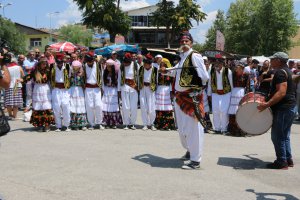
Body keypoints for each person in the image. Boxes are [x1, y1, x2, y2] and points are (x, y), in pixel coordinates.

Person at [160, 31, 209, 169]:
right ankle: (190, 151)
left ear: (191, 43)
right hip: (180, 98)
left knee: (194, 129)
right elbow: (176, 70)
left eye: (187, 41)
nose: (184, 43)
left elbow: (205, 77)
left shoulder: (195, 56)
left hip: (191, 97)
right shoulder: (183, 57)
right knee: (182, 129)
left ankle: (196, 161)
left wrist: (195, 87)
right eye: (182, 41)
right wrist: (166, 70)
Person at [257, 52, 296, 169]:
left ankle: (281, 161)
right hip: (290, 107)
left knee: (277, 136)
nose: (271, 60)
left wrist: (267, 104)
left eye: (273, 59)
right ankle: (288, 159)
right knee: (285, 135)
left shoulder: (280, 72)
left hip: (283, 108)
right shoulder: (287, 70)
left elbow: (281, 92)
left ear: (279, 60)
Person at [207, 55, 233, 134]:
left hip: (226, 94)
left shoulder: (228, 71)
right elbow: (209, 83)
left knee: (224, 111)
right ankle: (217, 128)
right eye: (216, 63)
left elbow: (231, 83)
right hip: (215, 93)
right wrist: (209, 94)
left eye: (219, 63)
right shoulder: (211, 71)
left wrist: (232, 95)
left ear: (222, 63)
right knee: (215, 111)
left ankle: (224, 129)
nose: (217, 64)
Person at [29, 58, 55, 132]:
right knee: (38, 108)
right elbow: (28, 77)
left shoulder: (48, 71)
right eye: (43, 63)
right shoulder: (35, 72)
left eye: (45, 63)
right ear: (39, 64)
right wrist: (21, 80)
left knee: (47, 107)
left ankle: (47, 125)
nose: (44, 65)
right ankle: (40, 125)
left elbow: (53, 78)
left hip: (45, 88)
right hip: (37, 89)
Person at [118, 52, 139, 130]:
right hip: (124, 87)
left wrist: (139, 88)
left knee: (133, 107)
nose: (125, 64)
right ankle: (126, 123)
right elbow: (119, 78)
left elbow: (139, 77)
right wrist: (118, 90)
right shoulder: (122, 66)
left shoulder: (136, 65)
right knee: (125, 107)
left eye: (127, 63)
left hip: (134, 88)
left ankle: (133, 123)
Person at [50, 54, 71, 132]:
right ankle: (58, 125)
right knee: (56, 108)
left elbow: (71, 76)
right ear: (56, 61)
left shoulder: (68, 66)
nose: (59, 64)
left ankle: (66, 125)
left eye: (61, 62)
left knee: (66, 107)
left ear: (63, 61)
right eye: (58, 62)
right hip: (56, 89)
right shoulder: (52, 66)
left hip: (65, 90)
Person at [84, 52, 104, 130]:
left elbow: (102, 57)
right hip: (88, 88)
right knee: (89, 106)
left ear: (93, 60)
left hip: (97, 88)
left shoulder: (99, 65)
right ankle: (91, 123)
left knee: (98, 105)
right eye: (87, 62)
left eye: (90, 61)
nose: (89, 63)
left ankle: (99, 123)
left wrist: (103, 89)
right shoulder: (84, 66)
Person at [154, 58, 176, 131]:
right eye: (161, 64)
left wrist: (172, 92)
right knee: (159, 106)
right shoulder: (157, 71)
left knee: (167, 107)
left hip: (167, 90)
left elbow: (172, 82)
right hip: (159, 89)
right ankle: (159, 124)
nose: (162, 65)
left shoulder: (169, 72)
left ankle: (168, 124)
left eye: (164, 64)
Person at [227, 64, 248, 136]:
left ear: (242, 69)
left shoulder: (246, 75)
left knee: (240, 110)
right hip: (234, 92)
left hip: (241, 92)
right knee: (233, 110)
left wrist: (247, 95)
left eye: (238, 68)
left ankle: (241, 129)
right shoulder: (233, 74)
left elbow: (247, 86)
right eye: (236, 67)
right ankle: (232, 129)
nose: (236, 69)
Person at [138, 53, 157, 131]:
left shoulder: (155, 69)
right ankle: (145, 124)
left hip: (151, 89)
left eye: (147, 64)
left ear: (150, 64)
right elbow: (138, 79)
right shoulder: (141, 68)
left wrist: (154, 88)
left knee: (151, 107)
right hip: (143, 89)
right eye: (145, 63)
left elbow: (157, 80)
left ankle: (152, 123)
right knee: (143, 106)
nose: (145, 65)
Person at [102, 59, 123, 128]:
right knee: (106, 107)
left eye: (110, 67)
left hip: (114, 91)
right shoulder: (104, 73)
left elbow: (119, 83)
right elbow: (102, 83)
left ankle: (114, 123)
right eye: (107, 66)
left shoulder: (116, 73)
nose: (108, 68)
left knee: (114, 107)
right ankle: (107, 122)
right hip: (106, 91)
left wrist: (119, 91)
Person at [69, 60, 88, 130]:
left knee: (81, 106)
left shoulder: (82, 75)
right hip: (72, 91)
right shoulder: (70, 75)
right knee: (73, 106)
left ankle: (82, 124)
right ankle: (74, 124)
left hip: (80, 91)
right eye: (74, 68)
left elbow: (84, 84)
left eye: (77, 68)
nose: (75, 69)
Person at [4, 54, 24, 120]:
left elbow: (4, 77)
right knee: (16, 102)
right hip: (17, 85)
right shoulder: (19, 67)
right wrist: (20, 79)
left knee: (9, 102)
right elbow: (23, 76)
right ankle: (14, 116)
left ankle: (10, 115)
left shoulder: (6, 68)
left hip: (9, 86)